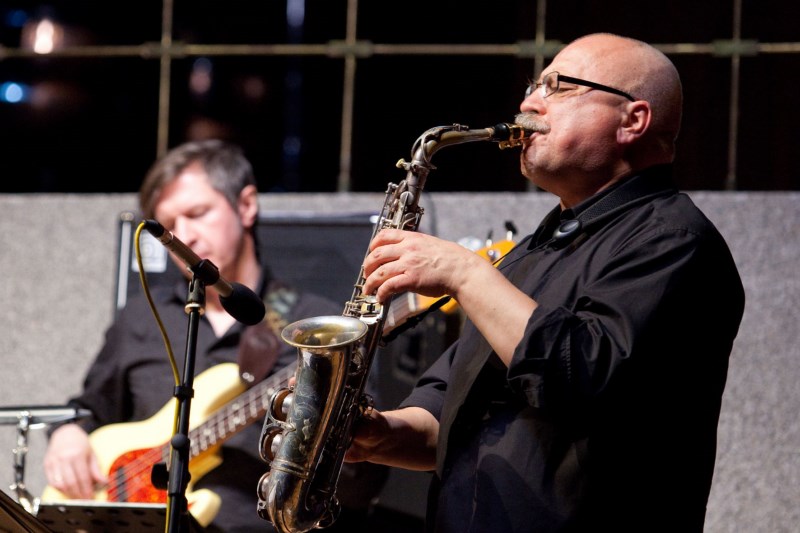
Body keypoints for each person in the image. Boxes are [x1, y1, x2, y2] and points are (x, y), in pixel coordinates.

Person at [345, 33, 745, 532]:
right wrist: (380, 433)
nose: (529, 103)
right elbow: (451, 411)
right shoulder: (532, 252)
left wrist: (465, 273)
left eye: (559, 86)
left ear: (634, 120)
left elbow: (581, 375)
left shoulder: (674, 241)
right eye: (534, 85)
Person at [43, 140, 384, 532]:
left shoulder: (315, 327)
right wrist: (68, 434)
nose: (184, 236)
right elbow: (90, 407)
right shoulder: (142, 318)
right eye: (169, 225)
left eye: (197, 213)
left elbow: (361, 481)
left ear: (246, 205)